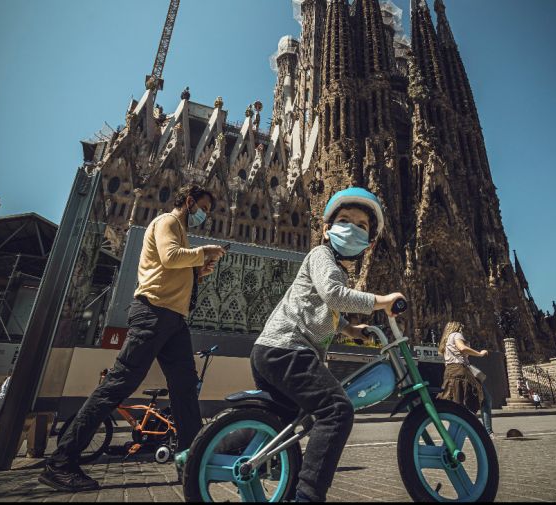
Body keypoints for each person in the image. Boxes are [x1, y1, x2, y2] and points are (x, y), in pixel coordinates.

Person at [39, 184, 226, 492]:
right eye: (203, 207)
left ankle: (193, 458)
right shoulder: (167, 222)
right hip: (153, 314)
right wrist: (202, 253)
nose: (205, 215)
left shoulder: (181, 232)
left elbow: (173, 268)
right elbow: (169, 258)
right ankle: (61, 462)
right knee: (118, 385)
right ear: (189, 201)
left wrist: (198, 270)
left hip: (173, 320)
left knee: (185, 389)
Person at [250, 187, 405, 503]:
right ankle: (307, 496)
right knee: (337, 410)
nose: (352, 228)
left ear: (368, 242)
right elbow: (333, 296)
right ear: (326, 229)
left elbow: (322, 315)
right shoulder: (321, 255)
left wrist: (352, 330)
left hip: (275, 350)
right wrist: (381, 301)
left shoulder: (336, 270)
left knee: (280, 424)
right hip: (288, 349)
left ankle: (206, 452)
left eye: (361, 225)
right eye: (345, 220)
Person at [436, 321, 495, 438]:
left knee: (460, 402)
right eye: (461, 328)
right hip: (462, 371)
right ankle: (487, 432)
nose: (462, 331)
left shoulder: (446, 341)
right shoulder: (456, 335)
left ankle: (457, 433)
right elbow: (462, 348)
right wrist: (479, 353)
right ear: (457, 328)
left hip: (450, 372)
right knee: (484, 399)